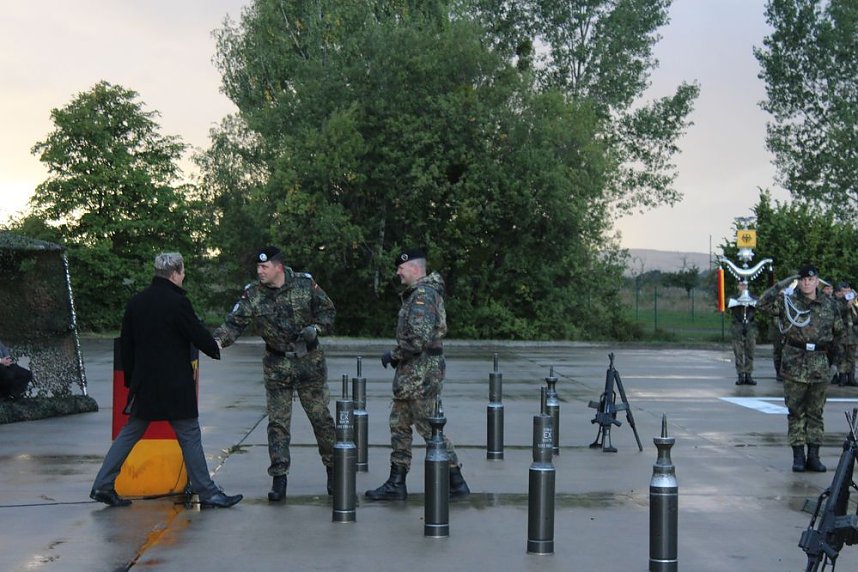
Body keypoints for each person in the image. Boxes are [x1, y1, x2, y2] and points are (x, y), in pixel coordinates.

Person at [91, 253, 242, 508]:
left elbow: (126, 346)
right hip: (175, 386)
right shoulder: (177, 303)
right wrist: (214, 347)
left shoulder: (136, 303)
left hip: (145, 384)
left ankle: (102, 485)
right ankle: (208, 493)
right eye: (182, 273)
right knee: (190, 435)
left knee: (130, 433)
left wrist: (131, 381)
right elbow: (195, 332)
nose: (183, 277)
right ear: (175, 273)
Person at [214, 247, 336, 502]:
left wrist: (316, 327)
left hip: (308, 363)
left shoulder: (304, 284)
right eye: (258, 267)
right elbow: (233, 324)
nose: (259, 271)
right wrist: (215, 343)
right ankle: (279, 478)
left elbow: (328, 312)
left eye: (264, 267)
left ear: (278, 267)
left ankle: (334, 471)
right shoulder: (253, 294)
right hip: (276, 364)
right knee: (278, 424)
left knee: (320, 419)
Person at [365, 248, 470, 501]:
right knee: (399, 425)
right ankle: (396, 482)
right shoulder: (416, 295)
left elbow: (418, 339)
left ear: (414, 268)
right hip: (412, 372)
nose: (397, 272)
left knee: (428, 426)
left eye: (401, 267)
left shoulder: (423, 295)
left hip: (420, 373)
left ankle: (456, 481)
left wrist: (394, 354)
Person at [758, 264, 846, 473]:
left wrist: (835, 365)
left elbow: (839, 336)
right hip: (795, 363)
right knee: (796, 412)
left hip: (819, 364)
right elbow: (761, 304)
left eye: (811, 279)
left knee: (816, 413)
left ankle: (814, 456)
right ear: (800, 281)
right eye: (803, 279)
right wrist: (783, 283)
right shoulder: (787, 301)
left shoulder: (829, 305)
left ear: (817, 281)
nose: (807, 283)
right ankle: (798, 456)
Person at [729, 281, 757, 385]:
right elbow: (729, 304)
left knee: (750, 350)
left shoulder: (752, 297)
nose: (743, 287)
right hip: (737, 325)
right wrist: (740, 300)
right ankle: (740, 374)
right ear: (737, 286)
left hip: (750, 326)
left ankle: (748, 374)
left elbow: (758, 304)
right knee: (738, 351)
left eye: (745, 285)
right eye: (741, 285)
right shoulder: (734, 298)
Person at [833, 281, 857, 386]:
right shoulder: (838, 302)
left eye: (848, 291)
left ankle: (851, 377)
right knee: (841, 356)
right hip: (841, 334)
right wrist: (846, 306)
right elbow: (836, 313)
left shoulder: (855, 300)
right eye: (844, 291)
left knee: (851, 356)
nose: (846, 293)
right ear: (841, 292)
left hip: (852, 334)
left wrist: (854, 302)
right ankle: (842, 378)